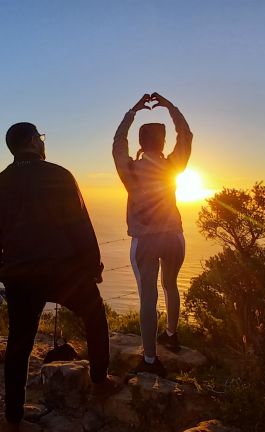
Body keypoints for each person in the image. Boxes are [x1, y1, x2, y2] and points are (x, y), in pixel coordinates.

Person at [0, 122, 122, 431]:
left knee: (19, 344)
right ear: (33, 141)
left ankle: (13, 420)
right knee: (95, 318)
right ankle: (99, 381)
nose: (42, 143)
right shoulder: (60, 175)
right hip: (65, 273)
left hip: (21, 277)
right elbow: (80, 225)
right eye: (40, 138)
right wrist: (93, 266)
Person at [112, 92, 193, 377]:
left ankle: (149, 361)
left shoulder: (130, 169)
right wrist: (170, 106)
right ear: (163, 142)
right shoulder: (173, 166)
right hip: (175, 236)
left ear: (140, 143)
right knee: (171, 285)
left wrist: (133, 111)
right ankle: (171, 335)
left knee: (148, 296)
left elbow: (117, 143)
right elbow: (186, 134)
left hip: (145, 241)